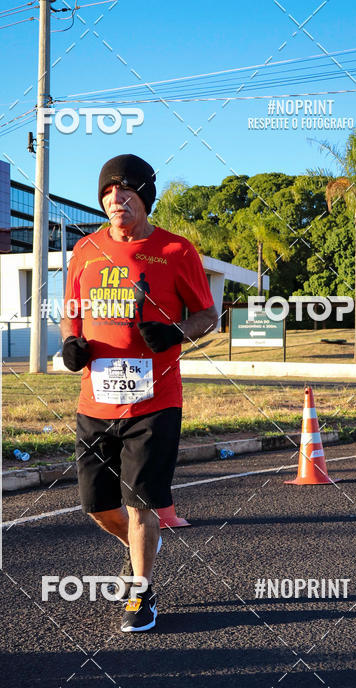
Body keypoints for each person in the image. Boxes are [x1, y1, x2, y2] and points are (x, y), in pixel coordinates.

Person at [60, 154, 218, 633]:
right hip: (96, 402)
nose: (116, 199)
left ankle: (141, 594)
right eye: (108, 192)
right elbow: (72, 310)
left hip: (155, 400)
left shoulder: (175, 251)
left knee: (140, 505)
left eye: (126, 191)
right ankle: (143, 545)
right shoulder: (86, 250)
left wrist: (175, 333)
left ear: (144, 197)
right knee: (97, 506)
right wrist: (70, 344)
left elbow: (207, 316)